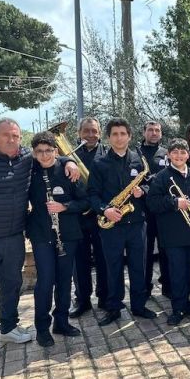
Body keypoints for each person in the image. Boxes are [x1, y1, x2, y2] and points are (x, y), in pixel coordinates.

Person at [0, 118, 79, 358]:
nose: (12, 140)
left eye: (16, 136)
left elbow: (50, 157)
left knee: (12, 285)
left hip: (14, 235)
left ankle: (8, 327)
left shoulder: (25, 160)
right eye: (6, 135)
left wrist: (69, 161)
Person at [88, 119, 157, 326]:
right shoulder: (99, 163)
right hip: (112, 225)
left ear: (129, 136)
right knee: (113, 268)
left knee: (139, 266)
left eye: (123, 134)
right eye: (115, 134)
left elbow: (151, 185)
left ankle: (138, 305)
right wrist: (105, 209)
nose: (119, 137)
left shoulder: (139, 161)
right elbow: (92, 194)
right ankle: (113, 308)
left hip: (137, 223)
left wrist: (142, 191)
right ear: (109, 138)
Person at [25, 132, 89, 347]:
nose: (44, 155)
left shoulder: (67, 170)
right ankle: (42, 327)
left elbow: (85, 202)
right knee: (45, 281)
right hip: (42, 234)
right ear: (34, 153)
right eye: (39, 151)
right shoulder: (29, 171)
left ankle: (61, 321)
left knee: (64, 280)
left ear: (55, 151)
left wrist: (65, 207)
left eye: (49, 151)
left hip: (68, 234)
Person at [147, 139, 190, 326]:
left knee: (189, 271)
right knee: (177, 272)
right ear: (169, 155)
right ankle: (177, 308)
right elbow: (152, 203)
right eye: (175, 152)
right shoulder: (162, 177)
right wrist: (175, 203)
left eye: (182, 152)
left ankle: (186, 301)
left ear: (188, 155)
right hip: (173, 235)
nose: (179, 155)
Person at [71, 117, 109, 317]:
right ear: (79, 133)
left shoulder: (107, 154)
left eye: (94, 131)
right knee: (80, 260)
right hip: (79, 216)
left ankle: (104, 297)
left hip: (102, 214)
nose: (91, 135)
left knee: (104, 258)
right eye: (86, 131)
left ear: (100, 133)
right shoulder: (69, 156)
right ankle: (82, 300)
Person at [137, 121, 170, 296]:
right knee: (145, 251)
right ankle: (145, 288)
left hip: (163, 210)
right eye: (150, 130)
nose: (154, 133)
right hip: (143, 210)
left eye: (157, 130)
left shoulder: (166, 153)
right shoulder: (135, 153)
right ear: (144, 133)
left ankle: (167, 285)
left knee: (166, 249)